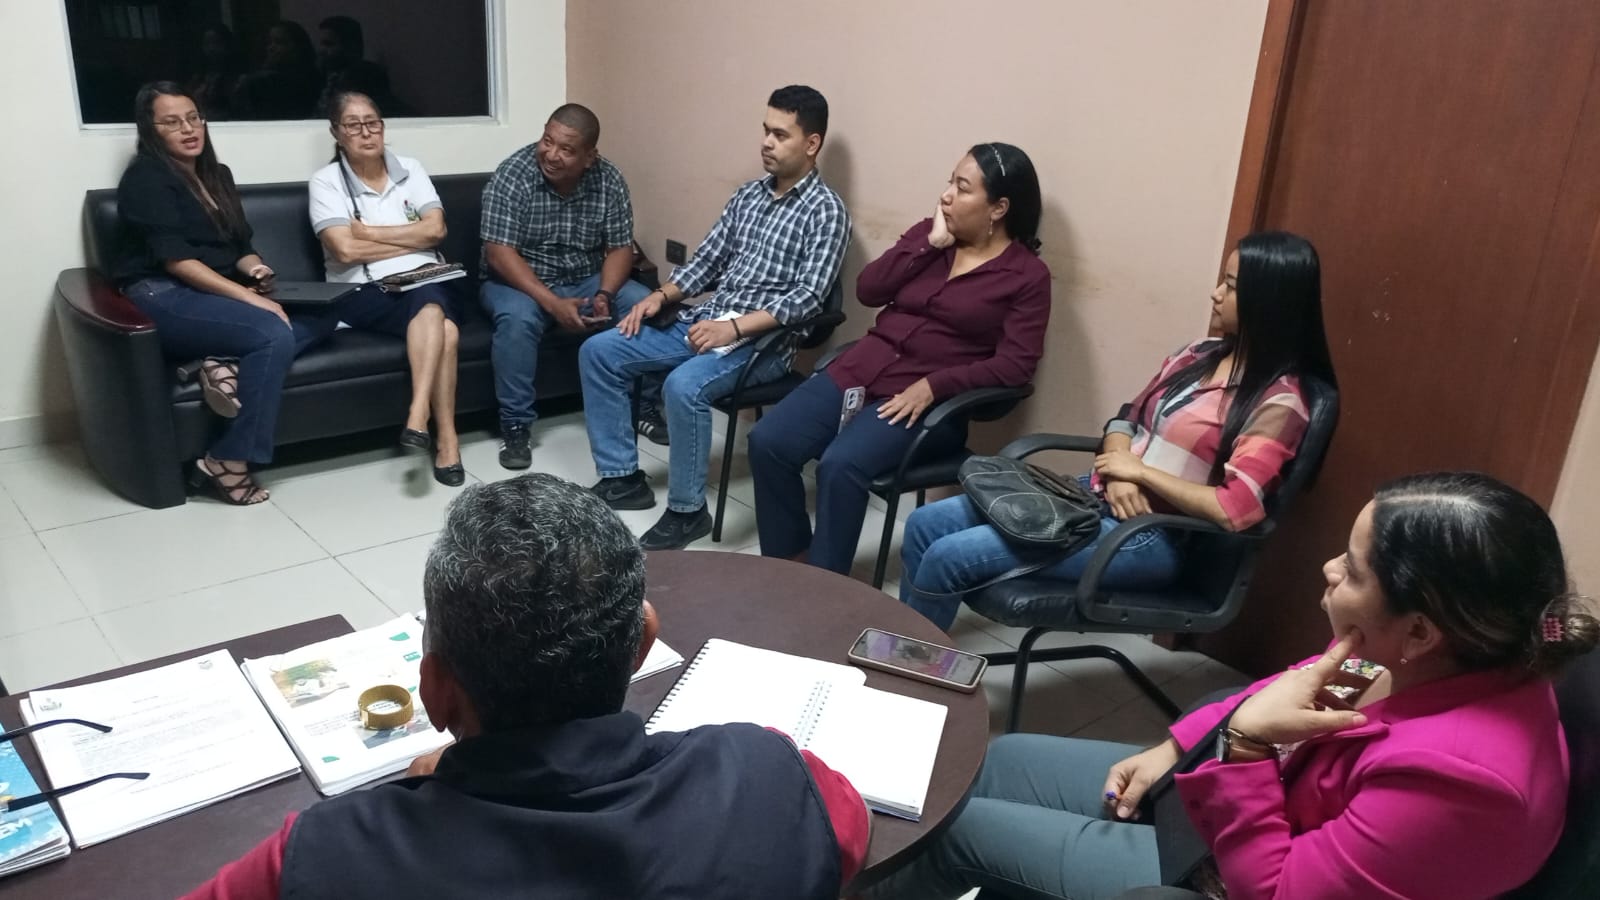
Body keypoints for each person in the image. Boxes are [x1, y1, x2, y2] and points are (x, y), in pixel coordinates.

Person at [870, 471, 1599, 899]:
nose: (1329, 571)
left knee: (958, 834)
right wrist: (1178, 746)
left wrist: (1242, 750)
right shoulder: (1432, 653)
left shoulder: (1466, 783)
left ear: (1419, 630)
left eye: (1353, 570)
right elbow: (1299, 685)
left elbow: (1277, 892)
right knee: (997, 759)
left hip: (1236, 871)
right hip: (1242, 807)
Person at [180, 474, 870, 899]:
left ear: (436, 692)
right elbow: (849, 832)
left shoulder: (325, 857)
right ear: (643, 643)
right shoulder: (773, 775)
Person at [899, 231, 1336, 630]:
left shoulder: (1279, 403)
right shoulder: (1196, 354)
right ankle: (899, 659)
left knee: (948, 556)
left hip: (1152, 536)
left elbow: (1235, 508)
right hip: (1087, 499)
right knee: (923, 524)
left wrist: (1140, 473)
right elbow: (1126, 418)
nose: (1216, 293)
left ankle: (914, 674)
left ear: (1270, 299)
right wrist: (1120, 470)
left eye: (1232, 286)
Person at [749, 143, 1049, 574]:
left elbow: (1016, 366)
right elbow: (868, 290)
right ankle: (789, 564)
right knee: (768, 441)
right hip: (861, 369)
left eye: (963, 188)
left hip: (925, 403)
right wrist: (928, 245)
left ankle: (823, 585)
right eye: (950, 182)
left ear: (998, 208)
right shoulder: (930, 236)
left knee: (840, 465)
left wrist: (934, 386)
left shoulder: (1026, 276)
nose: (946, 195)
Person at [582, 85, 851, 550]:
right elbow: (707, 261)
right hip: (706, 321)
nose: (766, 142)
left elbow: (808, 299)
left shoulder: (827, 212)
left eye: (780, 135)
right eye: (765, 131)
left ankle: (688, 512)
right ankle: (621, 477)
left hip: (763, 344)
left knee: (683, 386)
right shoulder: (748, 196)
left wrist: (734, 327)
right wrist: (660, 296)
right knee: (599, 351)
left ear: (812, 144)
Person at [110, 82, 307, 505]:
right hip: (160, 295)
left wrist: (255, 269)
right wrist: (252, 299)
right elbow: (177, 262)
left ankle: (219, 360)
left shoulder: (218, 175)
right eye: (172, 122)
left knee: (322, 314)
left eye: (193, 118)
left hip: (209, 294)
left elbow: (240, 245)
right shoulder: (145, 179)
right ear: (150, 129)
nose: (188, 129)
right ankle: (229, 459)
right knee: (272, 331)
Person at [479, 103, 655, 469]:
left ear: (589, 157)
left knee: (643, 303)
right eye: (547, 140)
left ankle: (644, 405)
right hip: (517, 280)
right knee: (518, 320)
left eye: (566, 149)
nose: (551, 154)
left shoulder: (609, 179)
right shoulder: (514, 173)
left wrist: (605, 294)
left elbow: (620, 247)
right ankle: (516, 424)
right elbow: (499, 254)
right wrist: (551, 303)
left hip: (585, 277)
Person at [305, 91, 467, 486]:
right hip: (363, 291)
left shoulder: (410, 169)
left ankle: (420, 417)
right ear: (336, 133)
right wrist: (413, 238)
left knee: (430, 298)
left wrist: (369, 233)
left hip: (428, 279)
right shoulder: (326, 182)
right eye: (353, 125)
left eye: (372, 123)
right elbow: (344, 250)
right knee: (443, 326)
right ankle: (444, 437)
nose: (366, 133)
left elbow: (437, 230)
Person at [315, 15, 402, 115]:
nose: (321, 50)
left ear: (351, 47)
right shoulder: (324, 77)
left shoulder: (366, 78)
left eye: (329, 44)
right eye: (321, 44)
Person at [234, 20, 320, 120]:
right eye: (270, 42)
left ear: (298, 46)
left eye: (279, 42)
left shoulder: (309, 78)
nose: (271, 48)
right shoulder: (261, 76)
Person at [184, 24, 242, 122]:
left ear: (227, 44)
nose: (211, 48)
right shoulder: (199, 76)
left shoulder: (237, 77)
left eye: (216, 42)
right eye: (207, 43)